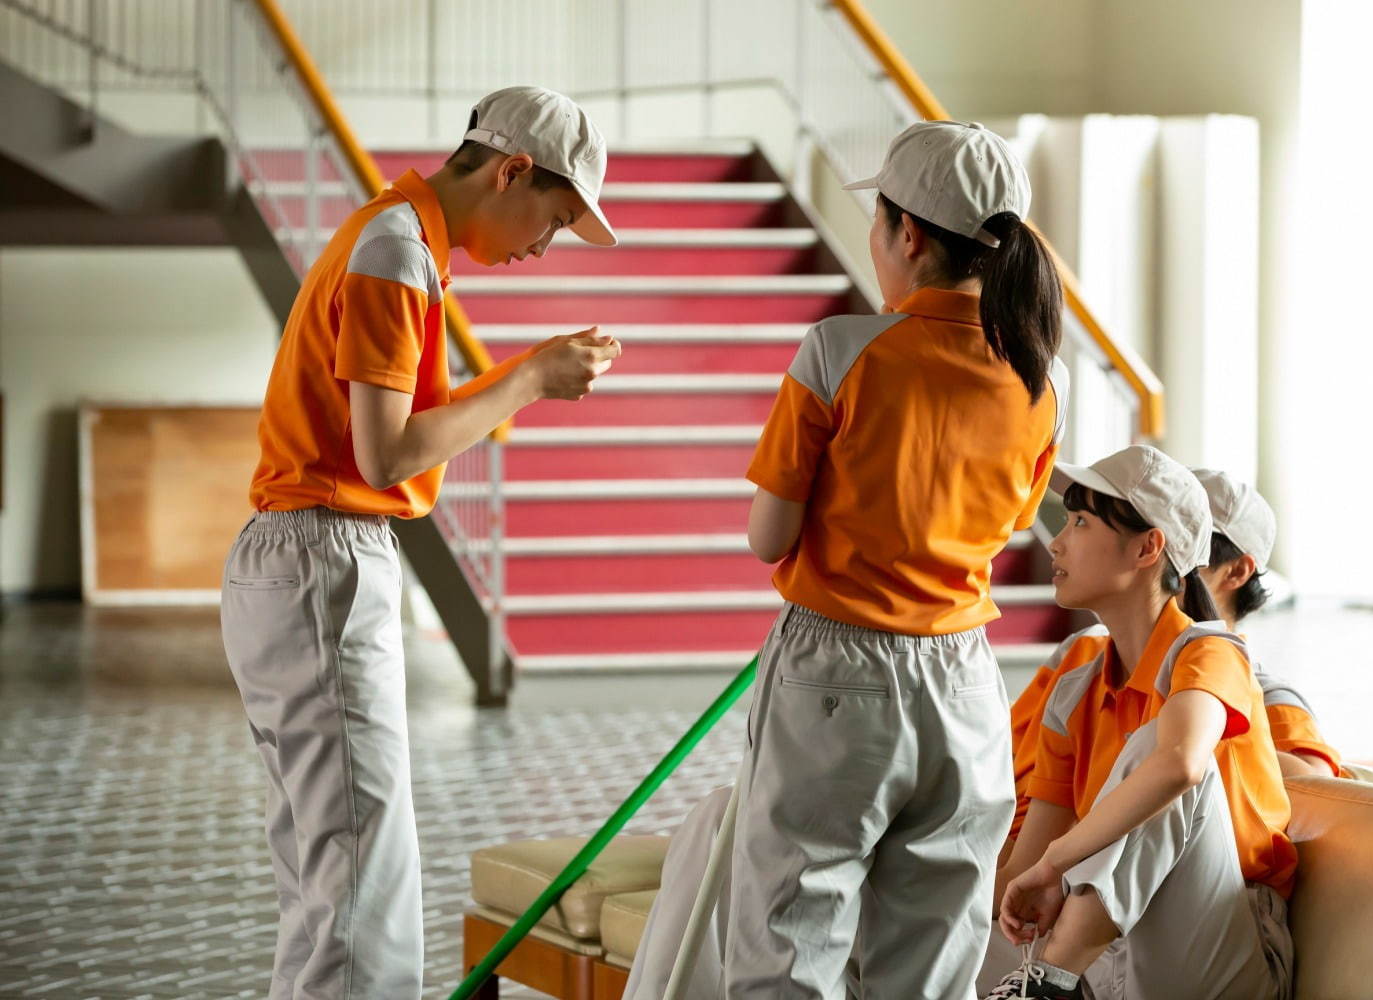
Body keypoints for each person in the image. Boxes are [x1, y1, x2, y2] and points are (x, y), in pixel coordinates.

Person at [220, 86, 621, 999]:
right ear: (512, 169)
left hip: (297, 556)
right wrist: (525, 379)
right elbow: (387, 450)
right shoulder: (397, 249)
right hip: (322, 555)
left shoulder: (397, 239)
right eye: (552, 220)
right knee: (363, 887)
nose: (540, 248)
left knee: (330, 882)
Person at [711, 119, 1069, 1000]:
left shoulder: (840, 351)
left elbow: (768, 537)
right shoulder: (1036, 383)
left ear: (907, 232)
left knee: (789, 943)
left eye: (879, 223)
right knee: (935, 959)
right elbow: (1014, 521)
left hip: (838, 678)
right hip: (965, 689)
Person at [984, 445, 1295, 1000]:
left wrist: (1060, 863)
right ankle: (1044, 979)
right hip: (1103, 941)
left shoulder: (1209, 650)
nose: (1056, 540)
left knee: (1162, 752)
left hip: (1217, 932)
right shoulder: (1075, 689)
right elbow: (1024, 866)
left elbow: (1180, 765)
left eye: (1080, 522)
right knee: (902, 941)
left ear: (1149, 546)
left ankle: (1046, 983)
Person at [1194, 468, 1342, 778]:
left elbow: (1319, 785)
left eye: (1184, 550)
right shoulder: (1087, 654)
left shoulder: (1264, 695)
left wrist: (1189, 736)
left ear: (1235, 572)